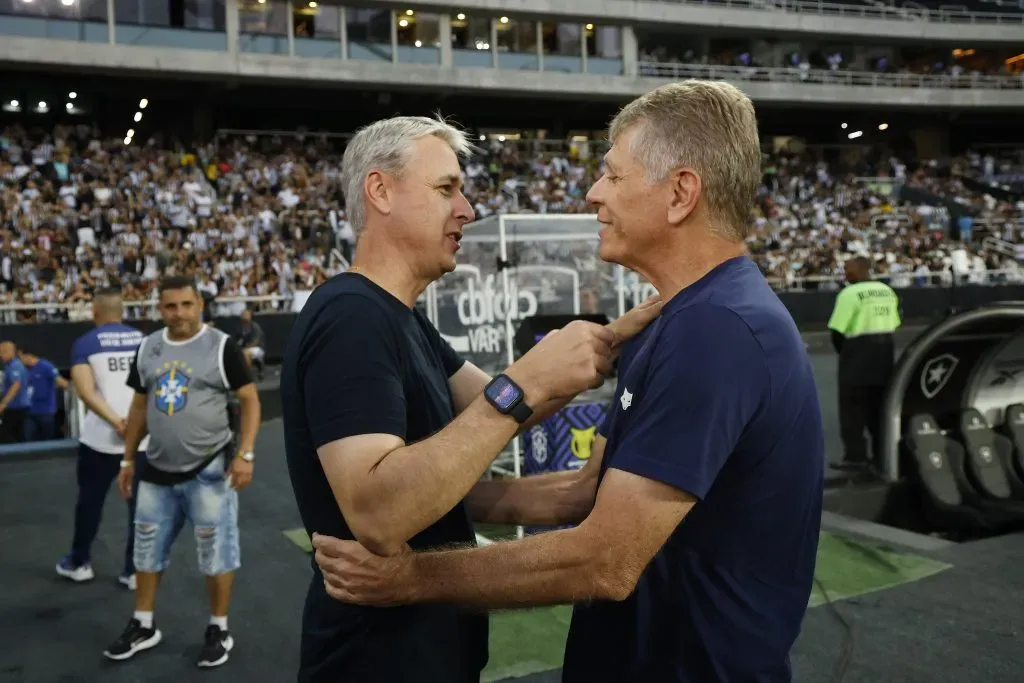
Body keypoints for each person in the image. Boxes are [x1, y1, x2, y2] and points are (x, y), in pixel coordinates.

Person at [312, 81, 827, 683]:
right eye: (446, 188)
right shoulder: (674, 323)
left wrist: (410, 577)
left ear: (681, 194)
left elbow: (606, 558)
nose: (593, 192)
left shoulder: (713, 327)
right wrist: (553, 372)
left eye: (613, 174)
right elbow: (585, 487)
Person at [280, 115, 662, 683]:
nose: (467, 209)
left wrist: (603, 344)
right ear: (380, 191)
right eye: (446, 188)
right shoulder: (351, 318)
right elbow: (379, 513)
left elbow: (500, 411)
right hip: (375, 662)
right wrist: (527, 380)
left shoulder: (400, 319)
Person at [103, 275, 261, 669]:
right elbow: (139, 406)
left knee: (216, 553)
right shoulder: (149, 347)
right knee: (145, 551)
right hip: (156, 468)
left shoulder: (221, 346)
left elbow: (250, 400)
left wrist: (245, 453)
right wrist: (127, 459)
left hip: (209, 469)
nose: (179, 314)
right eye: (171, 306)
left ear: (200, 305)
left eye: (186, 305)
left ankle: (219, 628)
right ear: (160, 309)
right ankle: (143, 624)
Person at [56, 288, 147, 588]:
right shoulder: (145, 341)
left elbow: (85, 392)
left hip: (100, 441)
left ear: (95, 313)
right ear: (122, 312)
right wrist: (134, 424)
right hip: (142, 439)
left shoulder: (85, 343)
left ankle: (79, 562)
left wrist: (117, 422)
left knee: (90, 502)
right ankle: (133, 571)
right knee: (141, 507)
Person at [827, 256, 901, 474]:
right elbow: (895, 322)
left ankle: (856, 457)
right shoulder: (887, 291)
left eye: (847, 268)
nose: (845, 273)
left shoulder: (849, 294)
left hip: (856, 356)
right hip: (884, 356)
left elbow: (837, 331)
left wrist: (846, 353)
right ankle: (882, 456)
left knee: (852, 410)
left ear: (861, 269)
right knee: (878, 408)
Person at [20, 349, 70, 442]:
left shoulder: (46, 366)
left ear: (28, 356)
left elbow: (63, 383)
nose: (20, 360)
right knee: (28, 438)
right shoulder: (26, 370)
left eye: (21, 358)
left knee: (48, 438)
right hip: (30, 411)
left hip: (45, 411)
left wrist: (54, 387)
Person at [0, 341, 32, 443]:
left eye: (4, 352)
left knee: (5, 435)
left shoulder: (15, 366)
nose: (1, 355)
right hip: (14, 408)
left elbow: (16, 385)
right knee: (17, 436)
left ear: (12, 352)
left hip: (17, 408)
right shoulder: (8, 366)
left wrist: (3, 404)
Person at [236, 308, 265, 380]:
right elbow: (238, 341)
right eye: (243, 314)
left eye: (246, 314)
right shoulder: (240, 327)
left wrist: (245, 348)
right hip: (245, 348)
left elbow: (256, 342)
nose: (245, 316)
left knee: (246, 353)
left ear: (250, 316)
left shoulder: (255, 326)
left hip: (258, 348)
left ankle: (247, 376)